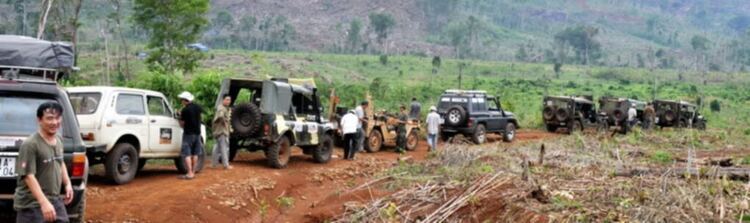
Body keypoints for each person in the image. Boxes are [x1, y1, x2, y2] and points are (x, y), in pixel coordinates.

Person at [15, 102, 74, 223]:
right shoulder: (30, 144)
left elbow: (60, 162)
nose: (54, 122)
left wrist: (67, 184)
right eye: (49, 118)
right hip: (32, 204)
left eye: (57, 118)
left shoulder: (58, 140)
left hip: (54, 199)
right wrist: (44, 203)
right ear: (39, 120)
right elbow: (28, 176)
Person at [178, 91, 203, 180]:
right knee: (195, 153)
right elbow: (200, 117)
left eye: (182, 100)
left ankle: (189, 173)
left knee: (187, 153)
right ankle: (193, 171)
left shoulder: (185, 110)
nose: (181, 101)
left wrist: (179, 116)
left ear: (185, 100)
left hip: (188, 134)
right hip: (197, 133)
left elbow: (181, 124)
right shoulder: (198, 107)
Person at [211, 94, 233, 170]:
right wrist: (224, 122)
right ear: (223, 100)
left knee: (217, 147)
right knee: (224, 148)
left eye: (229, 100)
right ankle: (226, 165)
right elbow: (221, 116)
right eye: (227, 99)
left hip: (218, 130)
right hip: (222, 131)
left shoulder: (221, 107)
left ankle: (214, 164)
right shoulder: (222, 108)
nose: (228, 101)